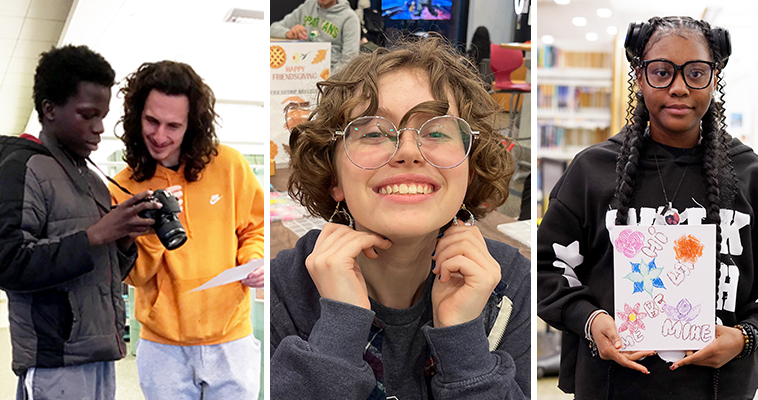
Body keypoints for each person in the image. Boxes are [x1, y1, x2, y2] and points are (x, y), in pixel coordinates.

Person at [537, 16, 758, 399]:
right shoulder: (591, 171)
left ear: (714, 78)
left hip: (719, 388)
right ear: (640, 78)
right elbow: (549, 267)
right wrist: (592, 321)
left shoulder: (751, 176)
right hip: (613, 386)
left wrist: (745, 337)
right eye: (661, 72)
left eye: (696, 73)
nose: (678, 88)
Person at [270, 36, 531, 399]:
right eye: (375, 132)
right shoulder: (283, 290)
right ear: (334, 177)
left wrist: (463, 342)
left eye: (437, 131)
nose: (408, 151)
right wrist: (339, 327)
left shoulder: (509, 287)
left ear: (469, 170)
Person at [0, 44, 158, 400]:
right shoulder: (22, 168)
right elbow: (8, 263)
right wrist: (97, 234)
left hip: (99, 353)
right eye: (87, 115)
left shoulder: (92, 180)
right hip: (55, 360)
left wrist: (124, 239)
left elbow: (107, 271)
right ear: (50, 110)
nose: (100, 127)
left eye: (102, 115)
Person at [109, 61, 265, 399]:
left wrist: (253, 261)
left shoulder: (229, 164)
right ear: (137, 117)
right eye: (152, 121)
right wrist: (147, 229)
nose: (160, 136)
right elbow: (132, 276)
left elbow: (255, 228)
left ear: (191, 125)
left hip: (231, 338)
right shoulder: (123, 186)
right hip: (162, 347)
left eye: (173, 125)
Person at [270, 0, 361, 74]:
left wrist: (328, 80)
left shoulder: (350, 18)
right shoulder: (308, 6)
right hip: (299, 69)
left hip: (329, 75)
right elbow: (273, 29)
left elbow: (350, 60)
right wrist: (288, 33)